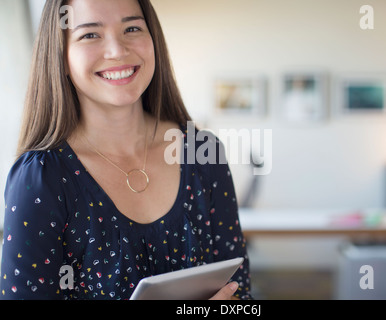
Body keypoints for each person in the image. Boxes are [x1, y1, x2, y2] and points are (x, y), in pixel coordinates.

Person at [0, 0, 251, 300]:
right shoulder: (42, 177)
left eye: (132, 28)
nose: (118, 50)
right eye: (90, 35)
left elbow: (240, 293)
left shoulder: (202, 152)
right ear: (60, 57)